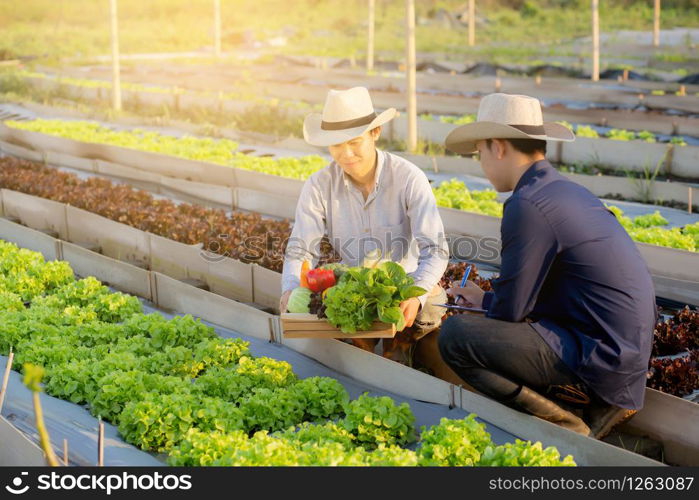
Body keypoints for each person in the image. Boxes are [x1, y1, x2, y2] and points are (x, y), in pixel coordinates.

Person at [438, 93, 656, 438]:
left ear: (498, 147)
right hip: (622, 351)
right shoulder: (563, 190)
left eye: (479, 152)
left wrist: (483, 311)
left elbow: (511, 312)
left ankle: (568, 425)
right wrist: (484, 300)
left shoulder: (527, 204)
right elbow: (531, 294)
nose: (480, 163)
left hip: (600, 358)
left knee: (455, 337)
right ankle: (580, 409)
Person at [280, 87, 449, 356]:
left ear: (375, 133)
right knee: (319, 307)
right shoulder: (318, 185)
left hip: (403, 284)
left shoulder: (408, 178)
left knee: (427, 308)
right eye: (336, 145)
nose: (346, 154)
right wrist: (289, 289)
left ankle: (403, 351)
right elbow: (301, 249)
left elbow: (436, 250)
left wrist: (415, 296)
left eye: (354, 142)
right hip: (356, 288)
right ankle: (362, 352)